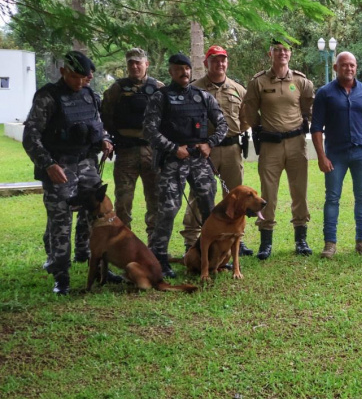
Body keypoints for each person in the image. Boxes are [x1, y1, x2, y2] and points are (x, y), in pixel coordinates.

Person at [23, 51, 114, 295]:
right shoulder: (47, 97)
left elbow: (98, 125)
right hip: (59, 166)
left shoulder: (89, 95)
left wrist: (105, 140)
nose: (79, 82)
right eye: (74, 77)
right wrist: (48, 164)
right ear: (63, 71)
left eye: (84, 78)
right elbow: (30, 136)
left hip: (87, 163)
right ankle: (61, 275)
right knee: (60, 221)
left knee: (96, 214)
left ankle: (96, 262)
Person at [144, 53, 227, 277]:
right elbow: (149, 130)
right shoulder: (160, 97)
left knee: (209, 209)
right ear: (171, 72)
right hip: (172, 160)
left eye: (187, 68)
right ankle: (159, 259)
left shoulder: (202, 96)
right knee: (168, 210)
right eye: (179, 69)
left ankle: (212, 256)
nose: (184, 72)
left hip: (199, 160)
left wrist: (209, 144)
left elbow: (222, 125)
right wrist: (173, 148)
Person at [242, 38, 315, 259]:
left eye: (286, 50)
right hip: (270, 145)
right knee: (268, 194)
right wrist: (261, 129)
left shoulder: (301, 81)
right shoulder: (259, 82)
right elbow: (249, 111)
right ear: (270, 54)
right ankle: (266, 242)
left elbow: (308, 109)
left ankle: (301, 239)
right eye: (277, 50)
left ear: (290, 54)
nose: (282, 53)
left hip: (296, 144)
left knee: (299, 192)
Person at [180, 45, 253, 255]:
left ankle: (235, 236)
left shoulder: (237, 89)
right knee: (199, 194)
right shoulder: (194, 89)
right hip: (203, 151)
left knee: (236, 196)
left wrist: (234, 132)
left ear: (227, 63)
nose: (219, 64)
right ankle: (191, 239)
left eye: (223, 60)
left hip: (231, 149)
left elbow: (245, 119)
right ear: (206, 63)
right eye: (214, 60)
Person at [310, 52, 362, 258]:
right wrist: (321, 156)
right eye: (344, 65)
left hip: (361, 153)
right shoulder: (325, 93)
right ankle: (330, 243)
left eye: (352, 65)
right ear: (336, 68)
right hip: (335, 154)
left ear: (356, 67)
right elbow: (316, 128)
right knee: (332, 198)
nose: (348, 68)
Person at [100, 48, 163, 242]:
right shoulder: (117, 89)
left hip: (152, 151)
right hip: (126, 151)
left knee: (156, 199)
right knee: (123, 200)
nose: (135, 66)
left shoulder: (159, 88)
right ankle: (123, 242)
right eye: (131, 63)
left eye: (138, 62)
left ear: (146, 64)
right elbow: (105, 115)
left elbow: (168, 118)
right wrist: (111, 137)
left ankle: (155, 244)